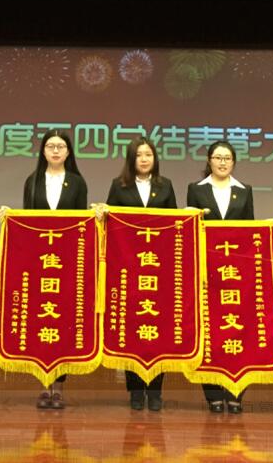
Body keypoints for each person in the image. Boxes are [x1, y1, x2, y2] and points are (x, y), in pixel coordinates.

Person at [105, 136, 177, 412]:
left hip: (158, 270)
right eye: (139, 155)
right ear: (131, 159)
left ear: (155, 158)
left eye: (148, 154)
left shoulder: (165, 185)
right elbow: (110, 223)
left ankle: (156, 390)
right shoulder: (119, 186)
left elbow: (174, 224)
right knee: (132, 327)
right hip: (128, 268)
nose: (144, 159)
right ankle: (135, 390)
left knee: (158, 329)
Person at [186, 140, 254, 414]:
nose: (222, 162)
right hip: (207, 270)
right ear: (209, 161)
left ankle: (236, 393)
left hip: (236, 273)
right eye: (217, 157)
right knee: (210, 331)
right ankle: (213, 394)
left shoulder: (244, 190)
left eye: (227, 158)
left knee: (237, 328)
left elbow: (250, 231)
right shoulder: (196, 189)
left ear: (234, 162)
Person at [22, 129, 88, 410]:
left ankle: (58, 387)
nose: (56, 151)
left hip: (67, 262)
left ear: (68, 152)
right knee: (41, 320)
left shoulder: (77, 182)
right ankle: (43, 384)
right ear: (43, 151)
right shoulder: (32, 180)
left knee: (62, 322)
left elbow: (82, 224)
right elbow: (26, 220)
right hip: (39, 263)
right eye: (51, 146)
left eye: (61, 146)